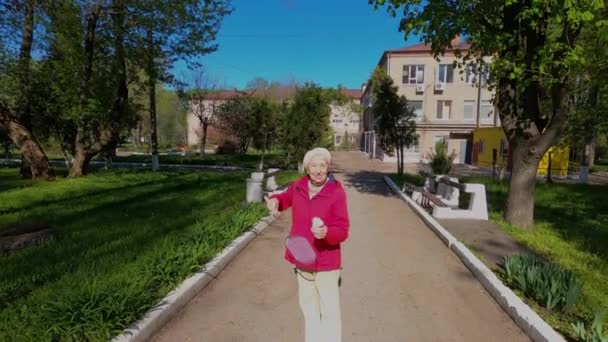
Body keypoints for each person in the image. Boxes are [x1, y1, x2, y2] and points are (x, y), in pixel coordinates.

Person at [265, 147, 350, 342]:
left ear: (328, 167)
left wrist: (327, 232)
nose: (319, 170)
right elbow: (284, 198)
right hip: (303, 260)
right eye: (314, 165)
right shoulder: (298, 186)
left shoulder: (336, 192)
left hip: (327, 263)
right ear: (307, 167)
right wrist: (275, 201)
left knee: (330, 313)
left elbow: (343, 229)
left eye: (323, 165)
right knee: (310, 311)